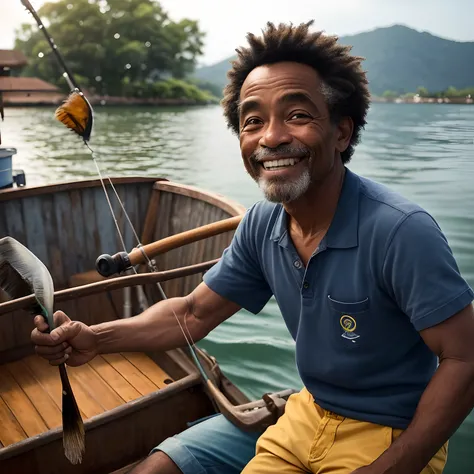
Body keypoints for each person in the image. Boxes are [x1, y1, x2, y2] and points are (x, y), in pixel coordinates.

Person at [31, 20, 474, 474]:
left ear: (342, 133)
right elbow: (191, 314)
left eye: (297, 115)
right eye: (253, 121)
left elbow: (463, 357)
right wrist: (95, 338)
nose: (270, 137)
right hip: (309, 411)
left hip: (391, 431)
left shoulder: (400, 231)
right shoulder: (264, 223)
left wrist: (396, 466)